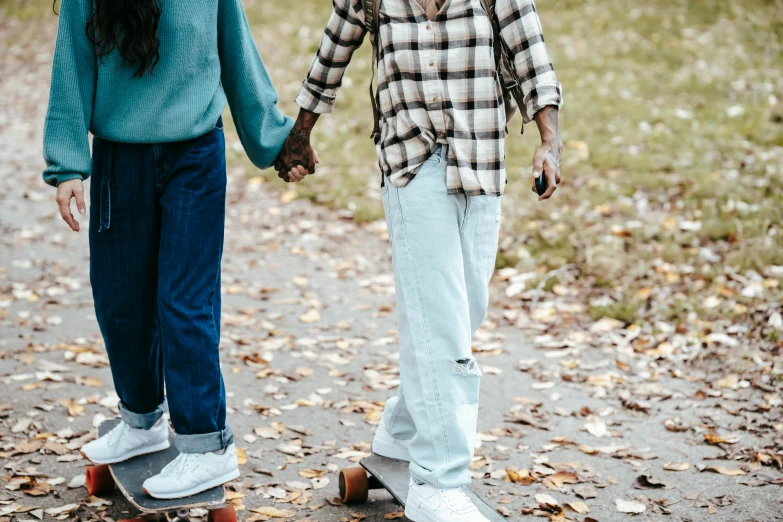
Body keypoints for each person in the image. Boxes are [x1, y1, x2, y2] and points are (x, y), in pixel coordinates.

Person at [275, 0, 562, 520]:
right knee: (442, 324)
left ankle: (401, 433)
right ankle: (437, 481)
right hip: (411, 166)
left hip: (481, 161)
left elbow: (530, 53)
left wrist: (549, 141)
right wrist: (301, 132)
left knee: (462, 313)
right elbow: (334, 50)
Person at [43, 0, 302, 499]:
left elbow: (237, 53)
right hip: (120, 159)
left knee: (184, 301)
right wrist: (68, 165)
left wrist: (276, 141)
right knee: (121, 299)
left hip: (195, 156)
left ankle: (208, 446)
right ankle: (142, 421)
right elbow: (71, 63)